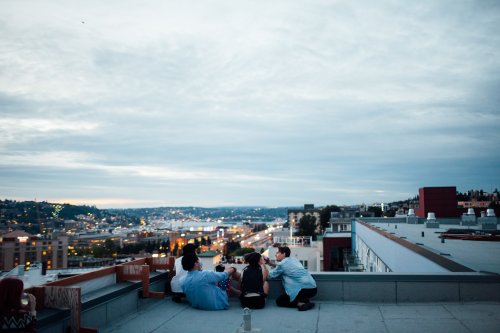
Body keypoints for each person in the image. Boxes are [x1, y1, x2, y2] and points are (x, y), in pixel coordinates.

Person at [266, 246, 317, 311]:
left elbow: (270, 275)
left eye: (277, 253)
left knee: (279, 301)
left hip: (303, 290)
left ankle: (301, 304)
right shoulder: (294, 260)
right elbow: (283, 267)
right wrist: (270, 263)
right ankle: (304, 301)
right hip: (313, 289)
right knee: (289, 297)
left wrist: (263, 265)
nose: (275, 254)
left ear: (283, 254)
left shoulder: (282, 265)